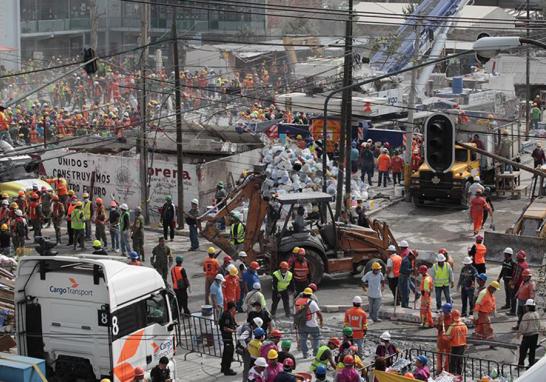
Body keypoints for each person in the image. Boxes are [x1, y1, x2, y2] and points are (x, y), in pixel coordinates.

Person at [294, 287, 323, 359]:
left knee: (303, 339)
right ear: (310, 295)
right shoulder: (312, 302)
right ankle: (315, 352)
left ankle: (305, 354)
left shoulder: (297, 302)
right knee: (316, 337)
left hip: (301, 324)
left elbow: (295, 314)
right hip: (312, 324)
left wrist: (295, 324)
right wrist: (321, 321)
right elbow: (319, 313)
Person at [518, 299, 542, 369]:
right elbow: (539, 325)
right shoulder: (537, 314)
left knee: (523, 351)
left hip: (528, 336)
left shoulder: (526, 315)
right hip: (535, 335)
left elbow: (523, 327)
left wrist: (520, 333)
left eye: (526, 306)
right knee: (532, 351)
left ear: (528, 307)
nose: (525, 308)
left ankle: (521, 365)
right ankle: (531, 364)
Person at [445, 309, 467, 376]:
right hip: (462, 346)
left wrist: (443, 334)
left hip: (455, 346)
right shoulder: (464, 325)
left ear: (452, 317)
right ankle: (459, 376)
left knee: (453, 362)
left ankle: (453, 377)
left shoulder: (452, 326)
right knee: (460, 362)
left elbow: (447, 337)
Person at [219, 301, 237, 376]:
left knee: (226, 352)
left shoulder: (228, 313)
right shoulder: (227, 315)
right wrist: (233, 330)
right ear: (232, 308)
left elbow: (232, 323)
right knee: (229, 353)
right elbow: (225, 328)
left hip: (227, 337)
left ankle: (223, 367)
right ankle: (227, 369)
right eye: (234, 308)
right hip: (227, 337)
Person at [510, 250, 529, 316]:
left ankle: (513, 311)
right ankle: (521, 312)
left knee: (513, 297)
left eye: (517, 257)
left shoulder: (519, 265)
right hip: (523, 284)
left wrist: (512, 284)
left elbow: (516, 277)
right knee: (521, 299)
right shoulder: (526, 264)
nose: (516, 258)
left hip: (517, 284)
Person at [435, 303, 453, 373]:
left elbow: (438, 327)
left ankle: (439, 369)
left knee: (439, 354)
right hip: (449, 339)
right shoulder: (452, 318)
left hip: (441, 339)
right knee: (448, 355)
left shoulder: (441, 318)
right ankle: (446, 369)